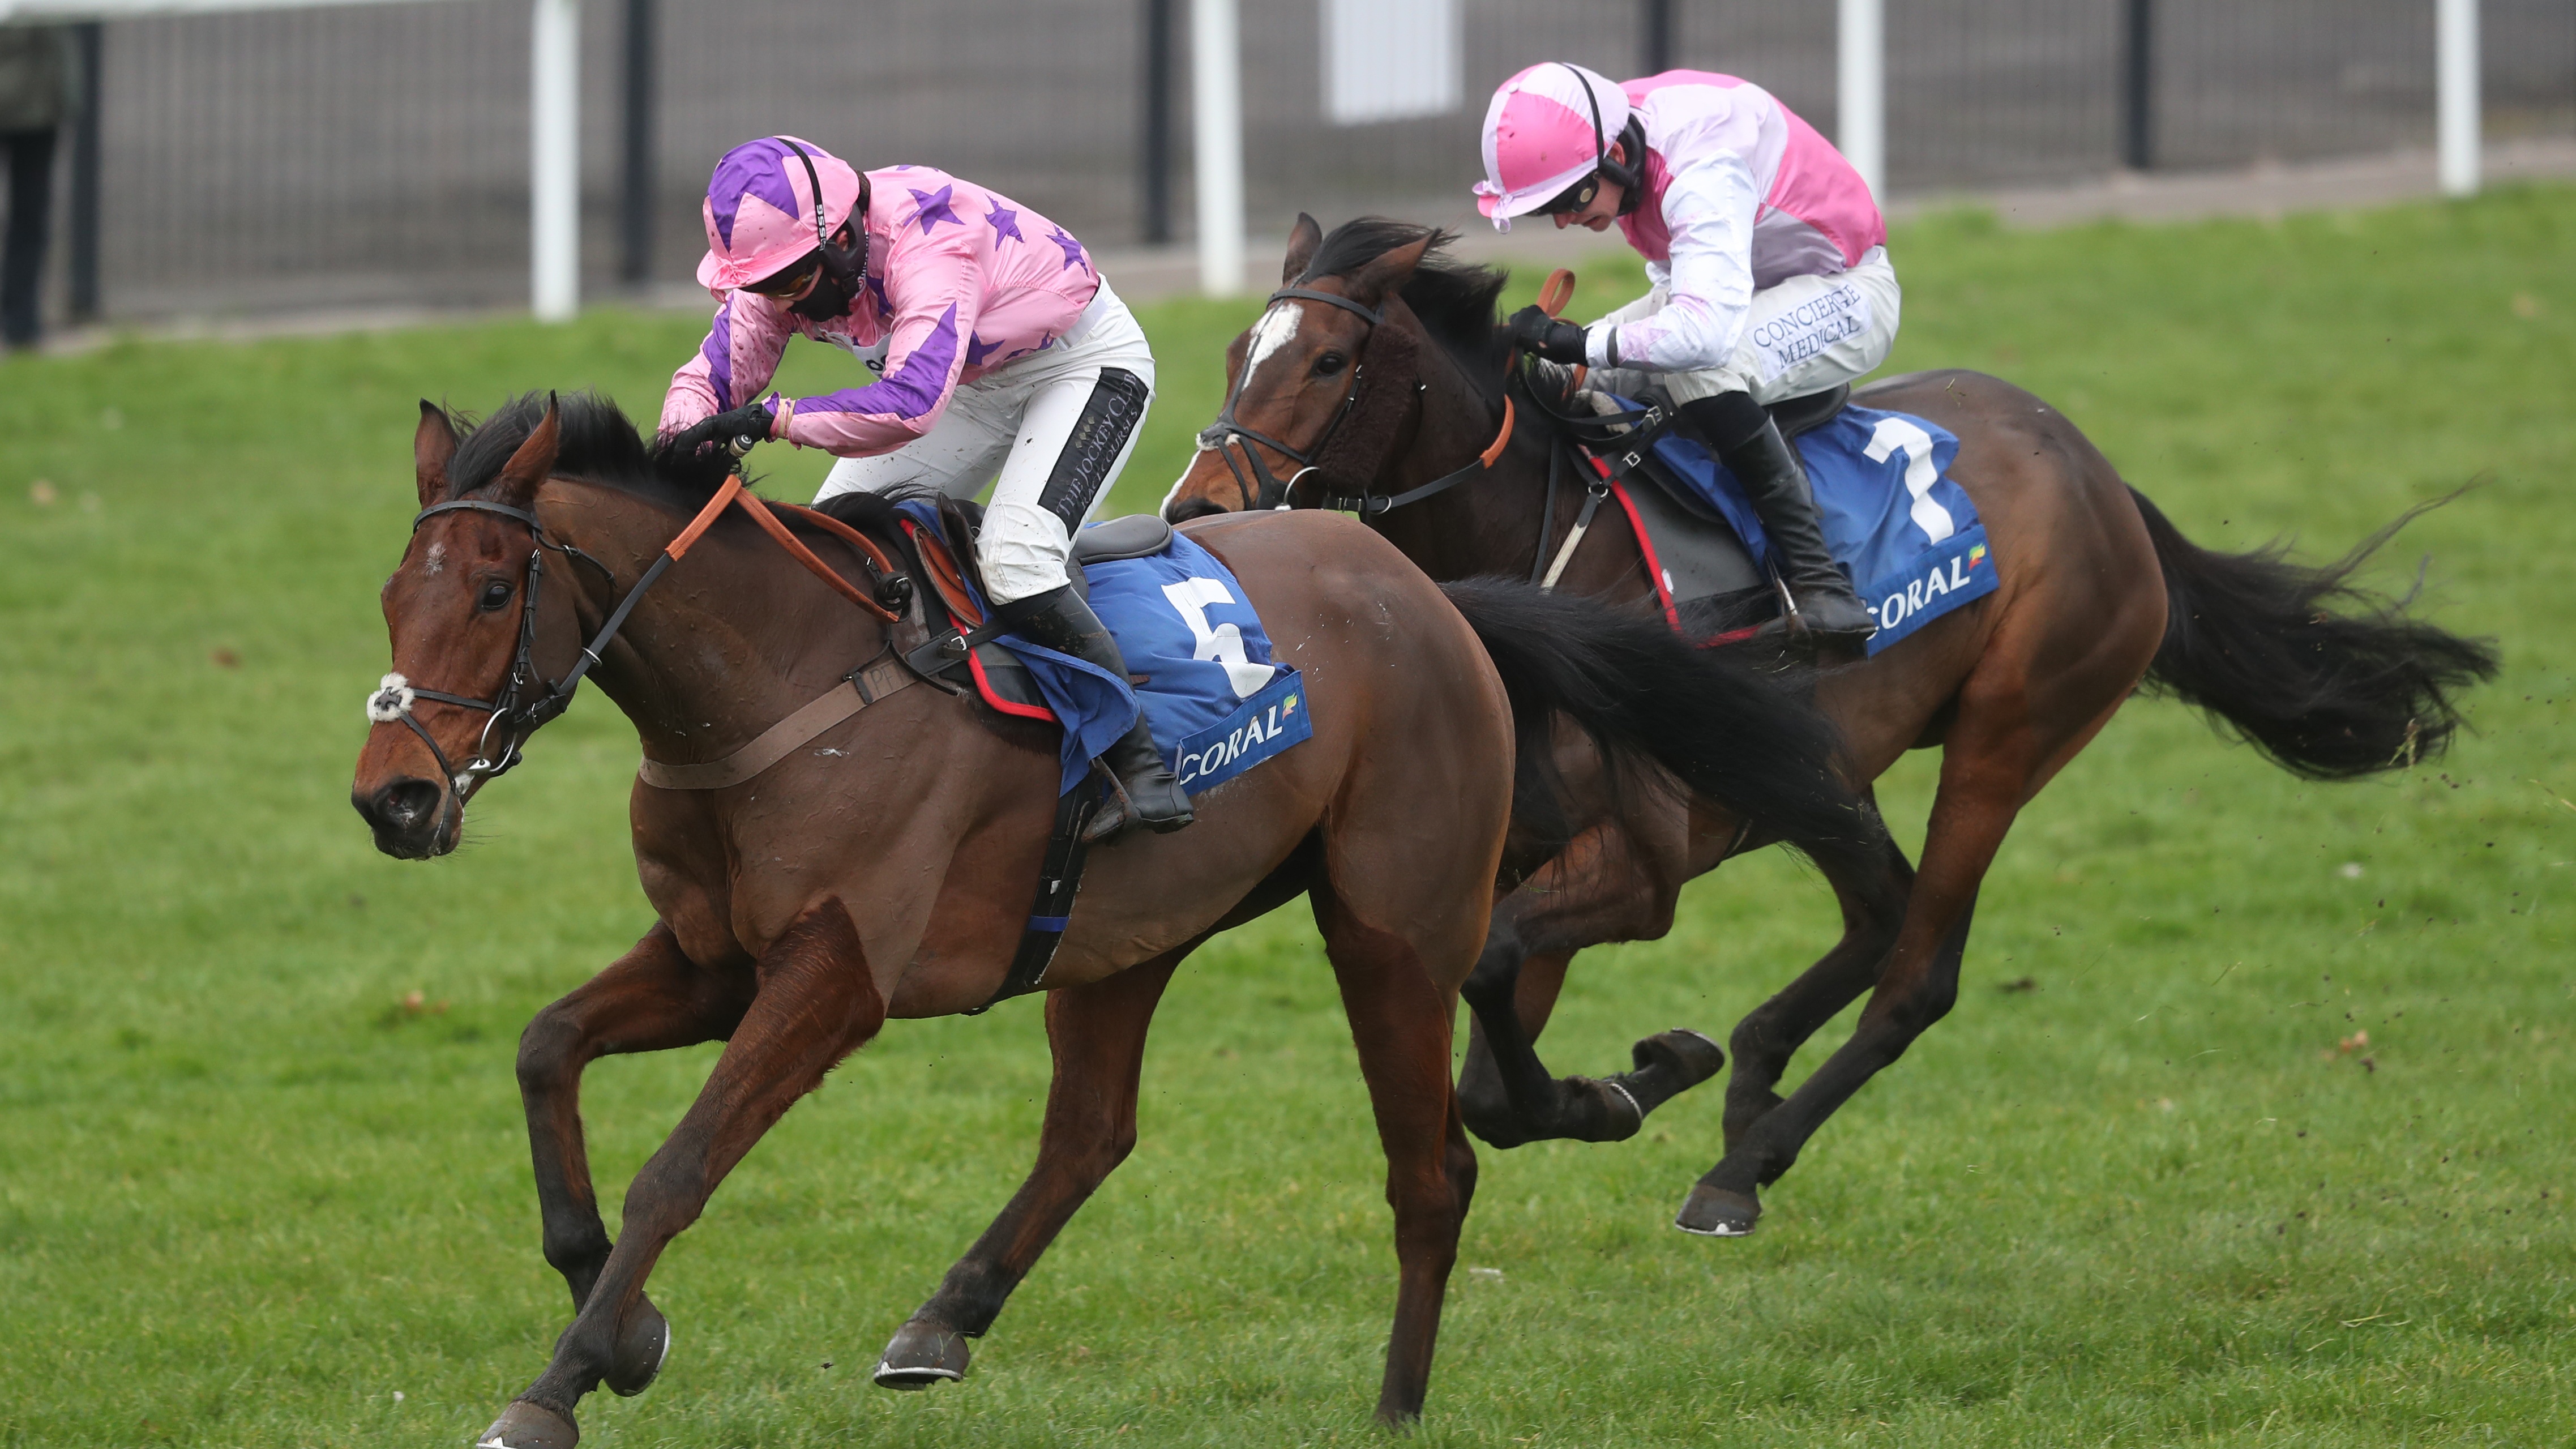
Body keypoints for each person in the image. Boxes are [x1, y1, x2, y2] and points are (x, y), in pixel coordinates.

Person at [660, 136, 1189, 832]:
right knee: (828, 553)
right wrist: (674, 450)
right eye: (757, 286)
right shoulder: (787, 264)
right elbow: (708, 378)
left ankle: (1135, 763)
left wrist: (777, 419)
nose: (776, 301)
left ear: (844, 238)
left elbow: (910, 404)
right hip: (965, 384)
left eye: (788, 283)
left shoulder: (928, 244)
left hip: (1077, 368)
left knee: (1016, 560)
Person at [1473, 62, 1897, 646]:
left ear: (1617, 154)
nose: (1566, 219)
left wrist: (1578, 339)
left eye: (1570, 197)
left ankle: (1820, 581)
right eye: (1547, 210)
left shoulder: (1699, 167)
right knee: (1556, 373)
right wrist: (1564, 354)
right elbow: (1684, 296)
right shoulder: (1613, 133)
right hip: (1745, 288)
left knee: (1701, 371)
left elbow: (1702, 336)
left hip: (1845, 292)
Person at [0, 25, 72, 352]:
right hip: (27, 90)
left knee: (31, 213)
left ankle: (22, 324)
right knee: (31, 215)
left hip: (41, 100)